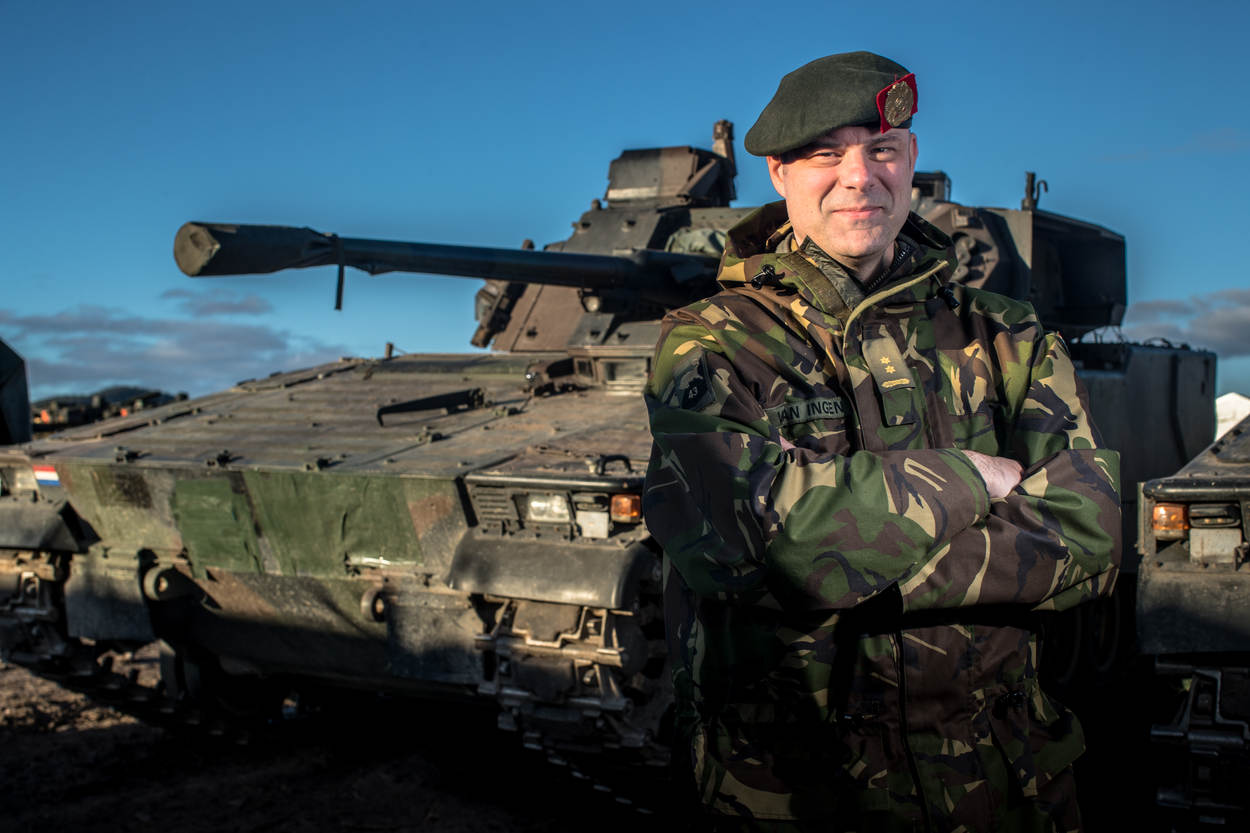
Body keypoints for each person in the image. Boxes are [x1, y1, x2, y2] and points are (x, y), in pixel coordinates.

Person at [642, 51, 1121, 832]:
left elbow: (1090, 532)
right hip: (797, 793)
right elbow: (748, 545)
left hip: (1002, 784)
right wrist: (969, 480)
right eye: (825, 154)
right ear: (778, 173)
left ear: (911, 158)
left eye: (882, 149)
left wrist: (848, 557)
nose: (859, 176)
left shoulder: (1008, 335)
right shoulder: (713, 343)